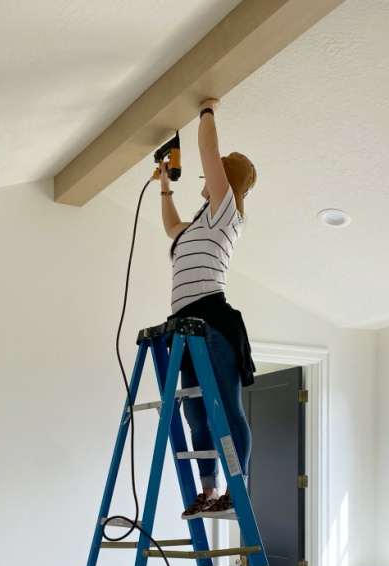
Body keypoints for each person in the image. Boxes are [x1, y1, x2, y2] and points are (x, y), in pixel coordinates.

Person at [158, 98, 257, 519]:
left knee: (225, 409)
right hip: (185, 327)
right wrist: (164, 183)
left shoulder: (226, 213)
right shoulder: (199, 222)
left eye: (213, 174)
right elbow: (170, 228)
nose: (206, 176)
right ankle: (210, 491)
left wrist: (207, 110)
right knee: (198, 416)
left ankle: (239, 488)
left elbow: (208, 155)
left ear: (226, 181)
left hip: (213, 322)